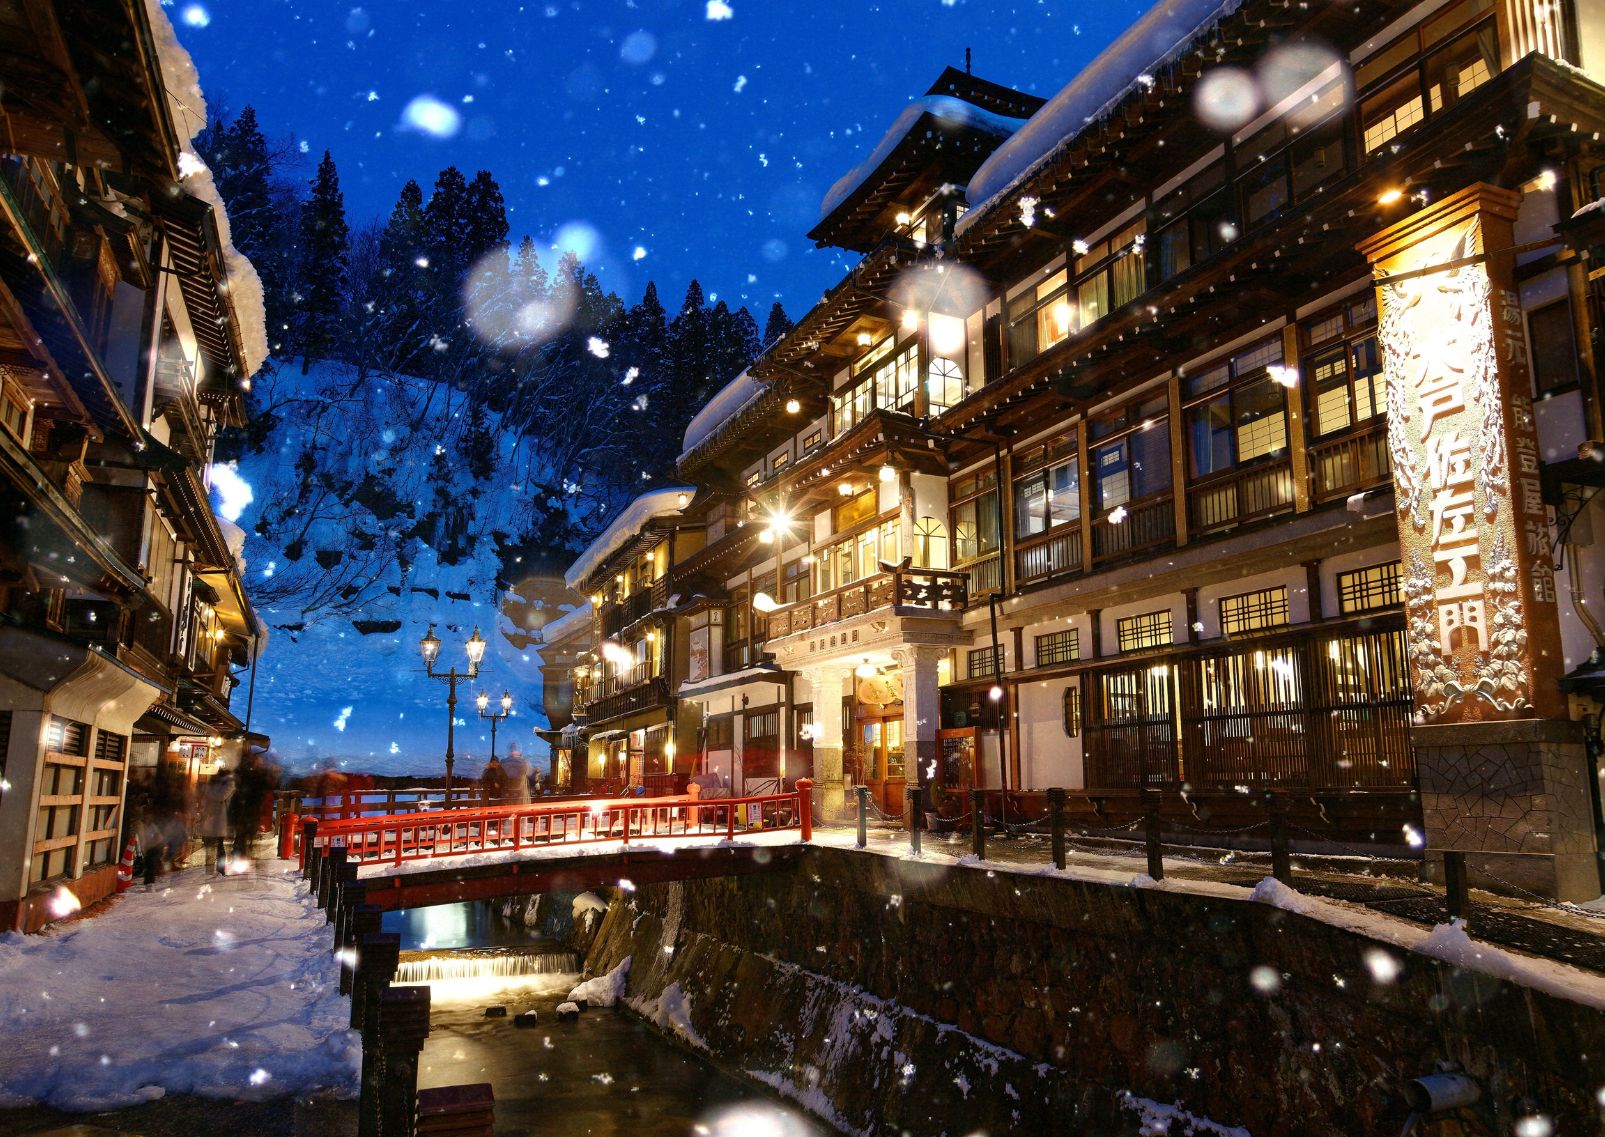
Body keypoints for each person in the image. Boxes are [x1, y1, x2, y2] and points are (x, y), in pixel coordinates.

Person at [197, 769, 235, 875]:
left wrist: (206, 789)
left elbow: (220, 797)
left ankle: (219, 870)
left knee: (218, 845)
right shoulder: (216, 784)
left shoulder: (228, 784)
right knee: (211, 845)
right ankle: (210, 871)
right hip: (211, 818)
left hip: (219, 819)